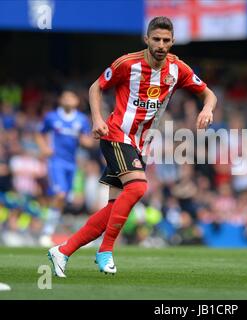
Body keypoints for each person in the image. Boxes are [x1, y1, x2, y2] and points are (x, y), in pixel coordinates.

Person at [48, 16, 217, 277]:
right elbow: (96, 87)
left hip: (140, 143)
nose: (161, 45)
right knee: (138, 186)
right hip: (116, 134)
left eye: (166, 40)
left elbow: (209, 93)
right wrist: (97, 119)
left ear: (172, 42)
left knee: (113, 208)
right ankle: (105, 251)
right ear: (147, 39)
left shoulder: (178, 69)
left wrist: (207, 109)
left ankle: (63, 251)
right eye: (157, 39)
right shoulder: (127, 63)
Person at [36, 88, 93, 247]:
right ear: (60, 100)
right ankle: (46, 232)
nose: (68, 100)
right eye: (65, 97)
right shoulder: (52, 117)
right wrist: (44, 148)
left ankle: (68, 233)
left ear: (76, 101)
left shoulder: (81, 119)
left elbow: (86, 140)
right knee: (60, 195)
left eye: (71, 97)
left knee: (67, 199)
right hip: (56, 162)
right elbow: (39, 133)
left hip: (72, 163)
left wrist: (91, 140)